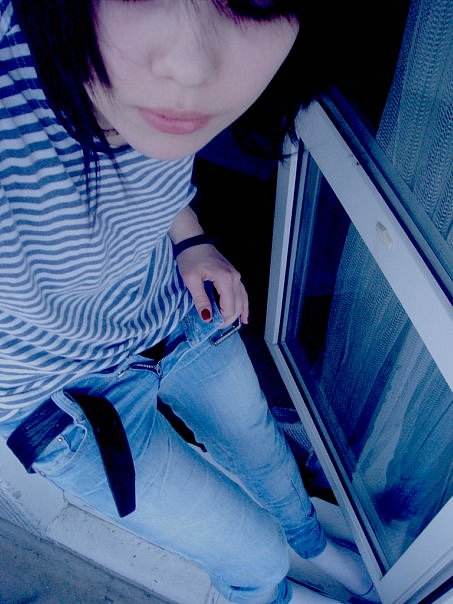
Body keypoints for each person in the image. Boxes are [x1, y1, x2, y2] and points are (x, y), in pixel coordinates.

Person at [0, 1, 379, 602]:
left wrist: (190, 238)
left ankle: (314, 547)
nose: (191, 68)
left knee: (266, 456)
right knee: (251, 556)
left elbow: (146, 161)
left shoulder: (147, 90)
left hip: (175, 312)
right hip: (60, 397)